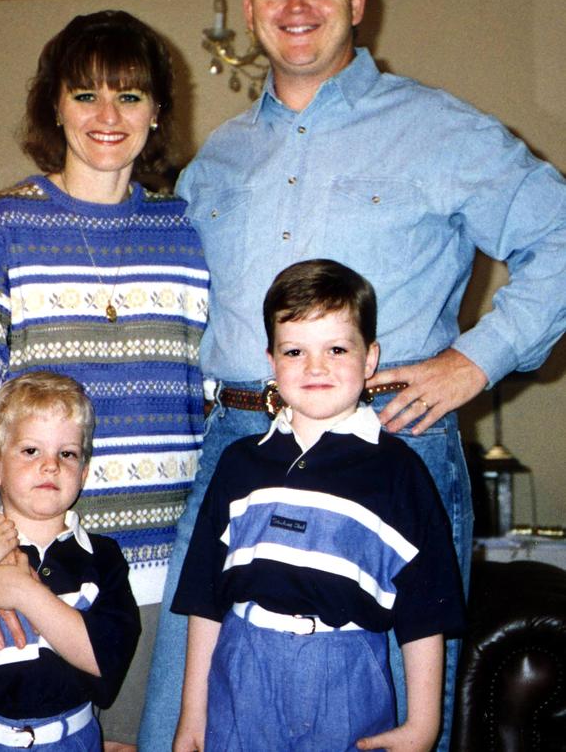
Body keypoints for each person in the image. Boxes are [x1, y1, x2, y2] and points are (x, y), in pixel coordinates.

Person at [139, 0, 566, 752]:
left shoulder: (441, 130)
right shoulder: (213, 160)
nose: (296, 5)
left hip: (393, 447)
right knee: (182, 729)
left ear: (359, 0)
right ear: (250, 7)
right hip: (235, 450)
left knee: (385, 730)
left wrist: (474, 363)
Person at [0, 10, 209, 750]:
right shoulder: (1, 228)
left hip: (169, 569)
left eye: (130, 94)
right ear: (54, 106)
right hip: (44, 569)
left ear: (159, 112)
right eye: (85, 94)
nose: (108, 116)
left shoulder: (188, 231)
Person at [171, 260, 465, 752]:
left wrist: (423, 725)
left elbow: (426, 611)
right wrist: (192, 714)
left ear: (369, 359)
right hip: (241, 670)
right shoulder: (240, 464)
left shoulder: (397, 472)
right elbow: (205, 598)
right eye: (294, 351)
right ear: (271, 359)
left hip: (346, 675)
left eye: (336, 348)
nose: (315, 367)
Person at [0, 371, 140, 750]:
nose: (50, 465)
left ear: (83, 473)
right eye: (31, 450)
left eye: (66, 453)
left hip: (71, 739)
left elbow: (106, 661)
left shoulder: (102, 558)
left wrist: (27, 594)